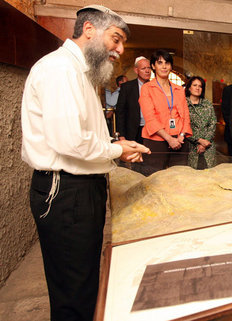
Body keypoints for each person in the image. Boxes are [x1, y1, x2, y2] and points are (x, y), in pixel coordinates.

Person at [20, 5, 150, 321]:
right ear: (89, 30)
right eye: (116, 39)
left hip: (81, 190)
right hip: (65, 192)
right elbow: (69, 141)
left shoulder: (81, 72)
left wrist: (114, 148)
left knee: (85, 283)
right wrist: (117, 150)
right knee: (73, 293)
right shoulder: (60, 70)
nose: (120, 50)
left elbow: (85, 136)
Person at [139, 49, 192, 170]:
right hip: (156, 140)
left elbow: (186, 116)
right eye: (160, 63)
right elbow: (150, 118)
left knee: (178, 178)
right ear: (153, 66)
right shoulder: (147, 88)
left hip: (180, 140)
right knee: (155, 179)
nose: (164, 66)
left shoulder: (179, 89)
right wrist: (169, 139)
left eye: (167, 63)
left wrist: (181, 136)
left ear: (171, 66)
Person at [117, 56, 152, 143]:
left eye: (149, 68)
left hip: (151, 130)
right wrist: (121, 135)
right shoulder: (127, 87)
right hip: (133, 132)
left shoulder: (155, 87)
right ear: (136, 70)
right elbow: (120, 112)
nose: (147, 71)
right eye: (143, 68)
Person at [185, 76, 217, 169]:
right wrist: (199, 140)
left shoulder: (207, 104)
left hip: (208, 146)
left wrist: (205, 141)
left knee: (209, 176)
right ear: (189, 88)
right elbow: (183, 125)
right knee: (192, 177)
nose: (197, 88)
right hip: (190, 146)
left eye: (200, 86)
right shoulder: (183, 103)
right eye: (194, 85)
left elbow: (212, 123)